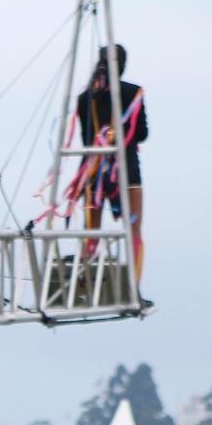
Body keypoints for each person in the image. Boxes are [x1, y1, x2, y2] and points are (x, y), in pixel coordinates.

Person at [74, 44, 147, 281]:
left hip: (93, 172)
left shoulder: (84, 98)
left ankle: (85, 279)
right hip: (127, 170)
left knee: (91, 230)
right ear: (123, 65)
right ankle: (134, 286)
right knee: (133, 229)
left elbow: (85, 136)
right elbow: (142, 133)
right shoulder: (133, 93)